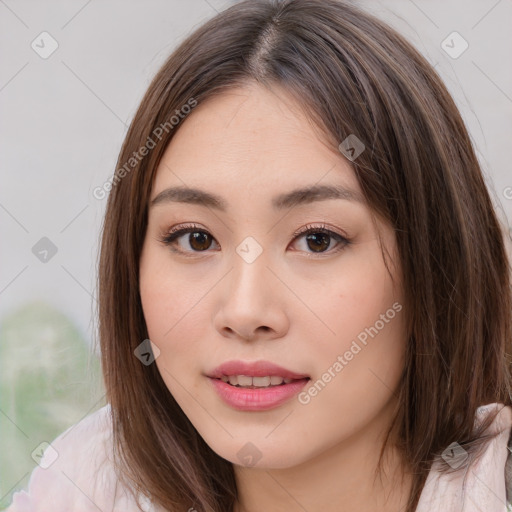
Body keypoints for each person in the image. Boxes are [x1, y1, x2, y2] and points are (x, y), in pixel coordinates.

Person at [6, 0, 512, 511]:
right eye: (195, 239)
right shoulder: (84, 488)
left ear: (436, 264)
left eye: (318, 239)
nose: (246, 312)